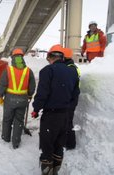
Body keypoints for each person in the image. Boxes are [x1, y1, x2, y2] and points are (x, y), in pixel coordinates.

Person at [31, 44, 80, 175]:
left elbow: (42, 93)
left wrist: (36, 109)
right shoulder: (72, 71)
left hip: (51, 116)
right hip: (65, 115)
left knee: (47, 145)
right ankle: (56, 170)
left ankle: (47, 170)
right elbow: (76, 93)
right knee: (59, 144)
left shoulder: (48, 70)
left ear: (50, 57)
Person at [0, 48, 36, 149]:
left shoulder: (8, 70)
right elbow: (32, 86)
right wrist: (29, 95)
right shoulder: (28, 71)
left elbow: (2, 84)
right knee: (19, 120)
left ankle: (6, 138)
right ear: (22, 58)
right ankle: (16, 142)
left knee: (7, 119)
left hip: (10, 99)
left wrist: (0, 96)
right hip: (23, 99)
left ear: (13, 57)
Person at [63, 47, 81, 150]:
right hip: (73, 97)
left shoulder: (69, 68)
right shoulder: (72, 66)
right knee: (68, 120)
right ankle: (69, 142)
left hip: (70, 99)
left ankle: (70, 143)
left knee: (67, 121)